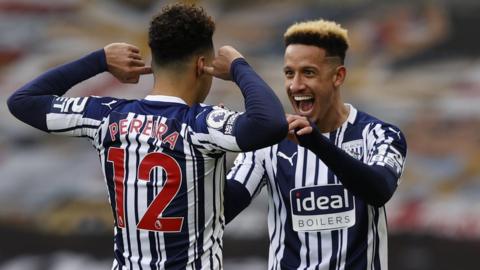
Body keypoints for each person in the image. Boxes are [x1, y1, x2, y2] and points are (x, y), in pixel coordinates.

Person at [7, 4, 288, 270]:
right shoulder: (201, 124)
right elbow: (270, 123)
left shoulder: (108, 116)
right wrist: (240, 66)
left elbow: (23, 101)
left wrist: (100, 60)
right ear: (202, 65)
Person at [224, 19, 407, 269]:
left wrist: (316, 144)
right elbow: (224, 209)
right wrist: (209, 157)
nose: (296, 85)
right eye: (289, 73)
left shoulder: (379, 133)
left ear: (338, 76)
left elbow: (379, 190)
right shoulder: (269, 143)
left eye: (308, 72)